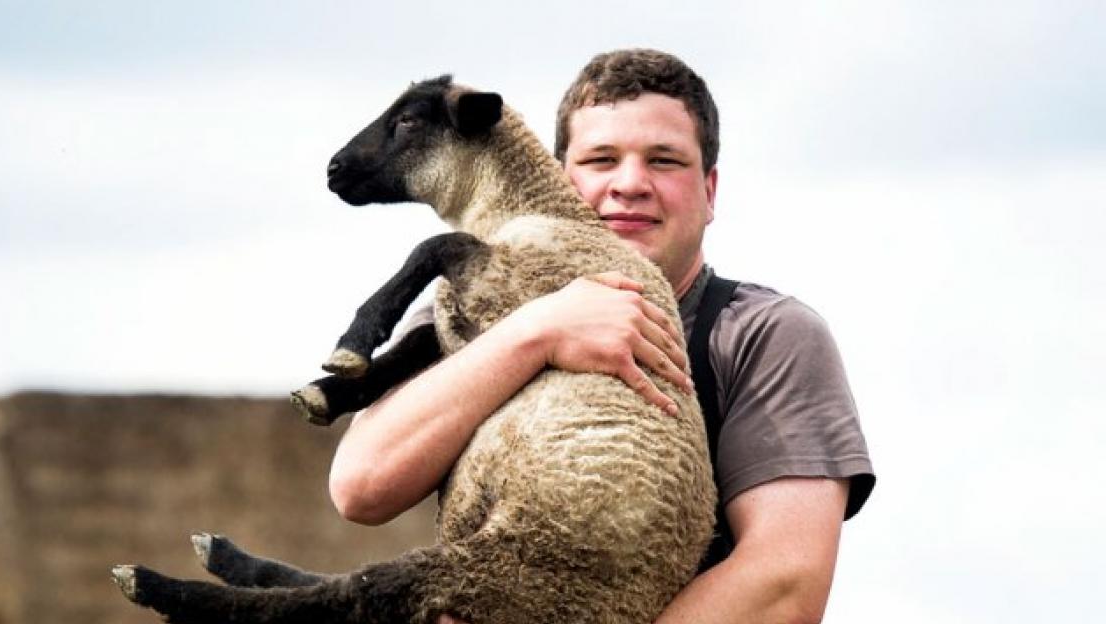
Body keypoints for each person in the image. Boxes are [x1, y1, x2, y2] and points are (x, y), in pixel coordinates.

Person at [326, 49, 875, 623]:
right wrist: (539, 331)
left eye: (664, 161)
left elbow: (784, 583)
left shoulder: (765, 334)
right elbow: (362, 485)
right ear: (559, 178)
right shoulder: (477, 297)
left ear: (710, 191)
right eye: (601, 159)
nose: (630, 183)